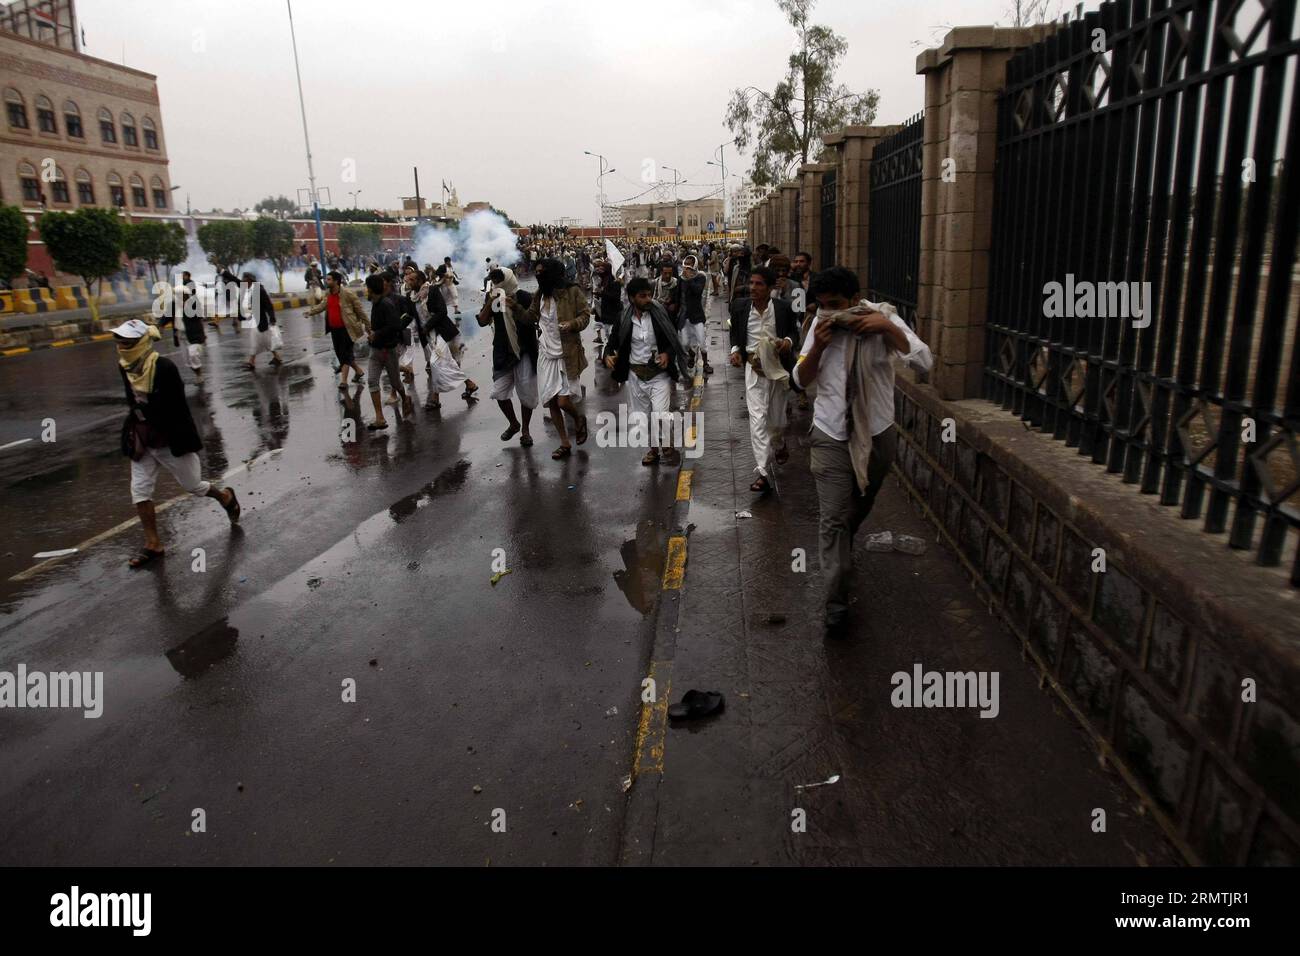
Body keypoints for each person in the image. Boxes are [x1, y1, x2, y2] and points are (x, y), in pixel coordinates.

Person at [795, 267, 933, 639]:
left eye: (836, 306)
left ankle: (842, 546)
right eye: (822, 306)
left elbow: (924, 363)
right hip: (829, 434)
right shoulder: (820, 325)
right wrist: (820, 346)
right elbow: (799, 379)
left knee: (860, 505)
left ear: (855, 300)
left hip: (876, 433)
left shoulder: (882, 318)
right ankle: (836, 603)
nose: (829, 313)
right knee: (834, 518)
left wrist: (887, 329)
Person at [112, 318, 240, 569]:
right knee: (140, 490)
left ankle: (225, 497)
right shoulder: (124, 366)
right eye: (119, 342)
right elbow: (132, 400)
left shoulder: (164, 367)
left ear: (141, 343)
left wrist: (180, 440)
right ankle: (153, 544)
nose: (122, 347)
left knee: (193, 485)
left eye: (127, 343)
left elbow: (179, 410)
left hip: (170, 437)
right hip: (143, 437)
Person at [603, 276, 690, 466]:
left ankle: (666, 442)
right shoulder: (623, 318)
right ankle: (652, 450)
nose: (648, 299)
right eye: (643, 296)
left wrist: (667, 354)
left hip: (659, 374)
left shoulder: (661, 314)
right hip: (635, 375)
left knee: (661, 413)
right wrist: (608, 355)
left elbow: (672, 339)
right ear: (632, 298)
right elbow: (612, 343)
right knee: (643, 418)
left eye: (650, 295)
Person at [729, 266, 800, 494]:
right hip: (754, 371)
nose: (753, 288)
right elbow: (735, 333)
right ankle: (763, 472)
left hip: (777, 371)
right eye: (751, 283)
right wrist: (735, 351)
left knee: (776, 422)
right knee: (757, 421)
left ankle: (779, 444)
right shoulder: (740, 307)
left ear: (770, 288)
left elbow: (793, 333)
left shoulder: (783, 308)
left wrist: (787, 342)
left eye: (759, 284)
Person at [520, 257, 590, 460]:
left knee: (563, 402)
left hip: (566, 353)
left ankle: (578, 419)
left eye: (542, 272)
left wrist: (572, 324)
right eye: (537, 271)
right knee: (551, 401)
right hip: (546, 354)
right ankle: (564, 443)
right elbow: (530, 317)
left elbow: (585, 316)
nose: (539, 275)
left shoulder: (572, 292)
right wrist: (514, 307)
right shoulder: (539, 295)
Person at [478, 269, 538, 448]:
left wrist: (514, 306)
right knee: (499, 392)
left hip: (524, 350)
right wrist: (490, 301)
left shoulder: (524, 297)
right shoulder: (494, 299)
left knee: (526, 391)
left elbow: (533, 320)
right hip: (503, 350)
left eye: (499, 280)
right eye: (494, 281)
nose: (497, 284)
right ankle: (514, 423)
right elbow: (482, 320)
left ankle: (525, 431)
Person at [363, 272, 412, 430]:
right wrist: (372, 334)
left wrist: (377, 334)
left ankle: (405, 398)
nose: (366, 291)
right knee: (372, 381)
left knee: (396, 383)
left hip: (388, 351)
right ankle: (380, 418)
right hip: (375, 352)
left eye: (367, 288)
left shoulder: (386, 304)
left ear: (372, 290)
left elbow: (395, 326)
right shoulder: (375, 304)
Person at [305, 270, 368, 387]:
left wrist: (369, 328)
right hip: (334, 330)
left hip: (347, 329)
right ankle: (359, 371)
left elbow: (360, 311)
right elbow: (322, 306)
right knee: (342, 354)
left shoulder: (347, 294)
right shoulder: (328, 294)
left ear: (336, 281)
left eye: (329, 279)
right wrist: (310, 312)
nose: (326, 281)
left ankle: (344, 381)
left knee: (345, 354)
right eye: (326, 279)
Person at [677, 255, 710, 375]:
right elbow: (678, 295)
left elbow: (698, 291)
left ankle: (706, 363)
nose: (688, 266)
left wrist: (689, 278)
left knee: (702, 342)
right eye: (686, 263)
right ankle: (691, 355)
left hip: (696, 315)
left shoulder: (700, 277)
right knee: (685, 343)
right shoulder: (681, 279)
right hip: (685, 316)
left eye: (690, 264)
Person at [241, 272, 282, 370]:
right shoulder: (252, 289)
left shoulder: (259, 290)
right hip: (256, 320)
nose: (243, 282)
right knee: (265, 341)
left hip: (261, 320)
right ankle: (277, 357)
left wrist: (272, 319)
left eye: (244, 280)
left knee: (256, 342)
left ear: (250, 280)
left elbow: (269, 305)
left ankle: (252, 362)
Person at [177, 271, 207, 383]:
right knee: (187, 360)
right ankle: (197, 374)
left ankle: (199, 375)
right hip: (182, 335)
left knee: (193, 354)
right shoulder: (175, 304)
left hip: (193, 334)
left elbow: (199, 318)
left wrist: (203, 334)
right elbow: (167, 317)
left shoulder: (193, 302)